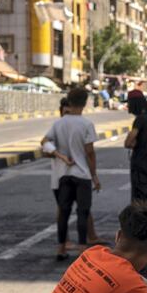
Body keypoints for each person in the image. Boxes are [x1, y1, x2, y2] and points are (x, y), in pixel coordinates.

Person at [43, 88, 101, 260]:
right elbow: (89, 152)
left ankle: (61, 248)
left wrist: (59, 155)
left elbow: (45, 141)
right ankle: (82, 249)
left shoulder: (58, 123)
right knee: (83, 212)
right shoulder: (86, 124)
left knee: (64, 211)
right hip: (82, 175)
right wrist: (95, 176)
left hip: (63, 175)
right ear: (84, 103)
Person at [125, 90, 147, 201]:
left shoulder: (139, 120)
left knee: (138, 200)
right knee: (143, 197)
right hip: (146, 164)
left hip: (139, 166)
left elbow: (128, 142)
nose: (127, 106)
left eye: (129, 103)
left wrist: (130, 141)